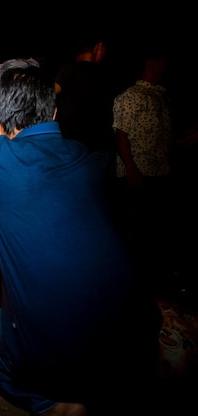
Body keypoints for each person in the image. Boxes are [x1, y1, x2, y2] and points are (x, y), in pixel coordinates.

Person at [0, 58, 161, 416]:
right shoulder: (83, 155)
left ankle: (53, 402)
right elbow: (19, 138)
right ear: (52, 110)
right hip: (137, 338)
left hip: (61, 352)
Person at [112, 49, 173, 289]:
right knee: (134, 229)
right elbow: (121, 135)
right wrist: (131, 169)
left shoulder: (161, 95)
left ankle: (151, 279)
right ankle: (127, 279)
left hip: (160, 170)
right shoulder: (131, 96)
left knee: (154, 229)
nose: (165, 66)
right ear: (151, 63)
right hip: (137, 171)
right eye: (162, 61)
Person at [54, 34, 115, 156]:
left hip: (69, 150)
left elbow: (45, 95)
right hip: (97, 150)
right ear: (99, 46)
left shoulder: (68, 71)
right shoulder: (108, 77)